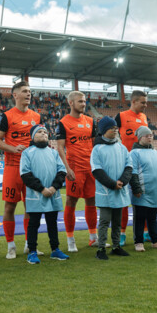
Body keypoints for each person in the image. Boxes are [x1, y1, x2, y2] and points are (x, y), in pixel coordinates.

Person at [0, 81, 41, 259]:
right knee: (10, 206)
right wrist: (13, 149)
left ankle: (29, 244)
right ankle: (11, 245)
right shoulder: (6, 116)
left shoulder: (36, 116)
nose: (28, 94)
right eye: (25, 91)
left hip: (32, 169)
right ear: (15, 95)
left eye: (30, 91)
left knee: (32, 206)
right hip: (13, 167)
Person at [56, 91, 98, 252]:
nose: (83, 104)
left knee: (92, 202)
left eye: (84, 101)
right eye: (80, 101)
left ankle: (93, 237)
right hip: (75, 169)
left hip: (90, 169)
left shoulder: (90, 121)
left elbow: (95, 146)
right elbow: (60, 147)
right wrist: (67, 168)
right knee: (71, 202)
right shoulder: (64, 122)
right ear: (71, 103)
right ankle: (70, 239)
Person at [20, 125, 69, 264]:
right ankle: (32, 251)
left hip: (53, 194)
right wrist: (42, 189)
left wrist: (53, 188)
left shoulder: (53, 153)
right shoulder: (27, 153)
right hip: (36, 195)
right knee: (33, 224)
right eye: (40, 132)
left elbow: (61, 171)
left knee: (52, 223)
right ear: (33, 136)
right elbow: (25, 174)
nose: (43, 134)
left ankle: (55, 249)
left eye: (45, 132)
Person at [91, 116, 132, 260]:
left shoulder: (122, 147)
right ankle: (101, 248)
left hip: (120, 190)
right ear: (103, 130)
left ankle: (116, 246)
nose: (115, 130)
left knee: (117, 221)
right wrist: (112, 183)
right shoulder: (97, 149)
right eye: (111, 128)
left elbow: (129, 166)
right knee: (104, 221)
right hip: (106, 191)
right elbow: (97, 170)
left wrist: (122, 181)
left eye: (116, 128)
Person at [129, 126, 157, 252]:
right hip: (142, 192)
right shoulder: (134, 153)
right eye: (146, 135)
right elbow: (133, 172)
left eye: (151, 135)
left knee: (153, 218)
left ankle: (156, 240)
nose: (149, 137)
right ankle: (138, 242)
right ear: (140, 137)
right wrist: (136, 189)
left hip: (155, 191)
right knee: (140, 218)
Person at [114, 90, 149, 246]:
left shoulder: (144, 117)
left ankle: (145, 232)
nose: (145, 105)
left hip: (142, 165)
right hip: (124, 164)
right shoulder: (121, 116)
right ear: (134, 101)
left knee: (142, 199)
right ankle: (121, 233)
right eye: (143, 102)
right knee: (123, 202)